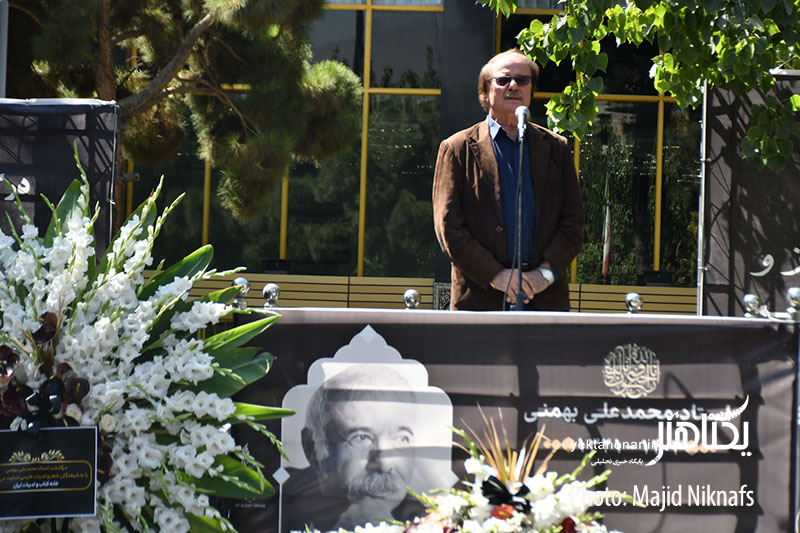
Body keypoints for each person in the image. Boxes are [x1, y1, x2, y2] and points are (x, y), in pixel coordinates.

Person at [432, 48, 585, 311]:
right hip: (480, 300)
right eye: (503, 80)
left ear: (531, 90)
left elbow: (573, 223)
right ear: (485, 91)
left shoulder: (556, 147)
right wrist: (496, 276)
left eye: (522, 80)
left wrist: (544, 275)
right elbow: (449, 228)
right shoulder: (456, 148)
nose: (513, 86)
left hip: (545, 299)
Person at [282, 365, 425, 532]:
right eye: (361, 438)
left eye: (401, 438)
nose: (385, 465)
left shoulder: (433, 521)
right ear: (313, 448)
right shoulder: (276, 507)